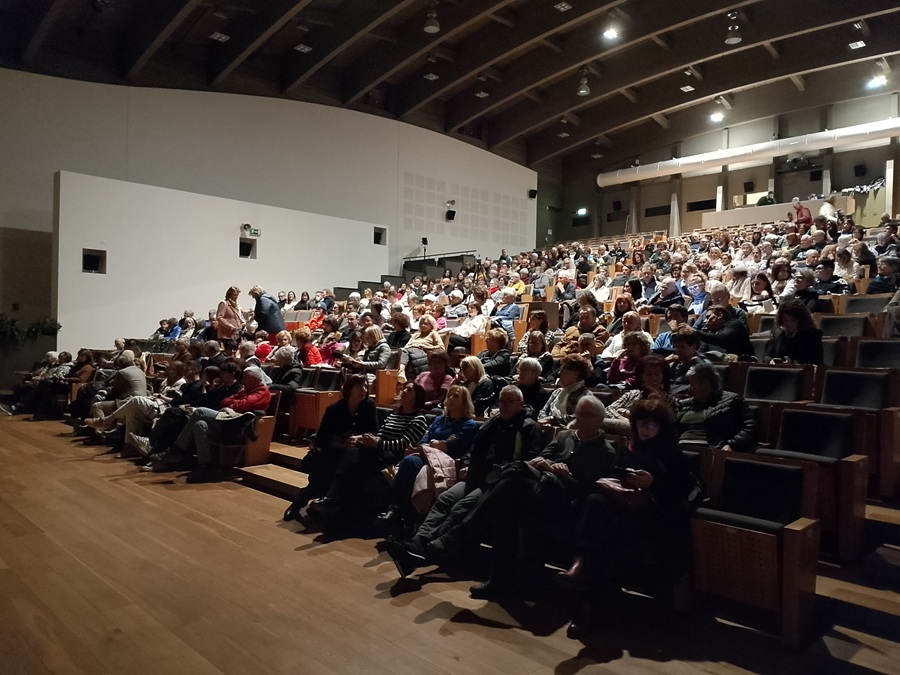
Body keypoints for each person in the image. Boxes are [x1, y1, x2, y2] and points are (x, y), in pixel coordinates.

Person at [453, 396, 616, 599]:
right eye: (579, 412)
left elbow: (588, 493)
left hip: (564, 504)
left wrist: (565, 476)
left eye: (587, 414)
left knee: (511, 483)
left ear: (600, 420)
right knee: (507, 500)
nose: (580, 418)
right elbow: (538, 459)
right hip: (539, 491)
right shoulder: (564, 436)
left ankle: (459, 534)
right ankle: (500, 578)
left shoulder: (605, 451)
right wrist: (547, 464)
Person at [558, 398, 696, 639]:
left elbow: (684, 494)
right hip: (621, 509)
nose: (645, 428)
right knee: (594, 501)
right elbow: (612, 475)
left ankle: (586, 602)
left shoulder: (671, 452)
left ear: (661, 426)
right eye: (641, 423)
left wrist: (654, 483)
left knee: (600, 539)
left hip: (652, 518)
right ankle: (580, 568)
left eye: (651, 424)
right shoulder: (629, 446)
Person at [383, 385, 545, 574]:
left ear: (521, 403)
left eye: (510, 401)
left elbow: (527, 461)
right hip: (476, 475)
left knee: (460, 507)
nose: (505, 405)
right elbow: (474, 449)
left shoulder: (528, 427)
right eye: (502, 401)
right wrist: (467, 463)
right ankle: (418, 541)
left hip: (496, 482)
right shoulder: (493, 423)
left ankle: (426, 552)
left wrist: (496, 473)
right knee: (445, 499)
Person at [298, 382, 430, 530]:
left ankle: (330, 500)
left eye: (409, 390)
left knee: (354, 457)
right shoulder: (394, 414)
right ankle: (334, 509)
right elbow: (380, 435)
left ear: (417, 397)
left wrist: (377, 444)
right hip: (379, 451)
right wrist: (364, 439)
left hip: (395, 457)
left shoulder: (419, 419)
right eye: (404, 388)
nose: (404, 391)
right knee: (352, 455)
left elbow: (405, 444)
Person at [280, 374, 377, 518]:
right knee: (325, 469)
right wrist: (340, 443)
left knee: (347, 465)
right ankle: (300, 502)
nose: (363, 390)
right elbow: (323, 436)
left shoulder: (369, 406)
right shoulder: (335, 409)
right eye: (358, 386)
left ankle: (325, 505)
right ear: (349, 389)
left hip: (357, 449)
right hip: (334, 448)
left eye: (365, 386)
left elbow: (374, 430)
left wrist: (358, 438)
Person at [385, 385, 480, 527]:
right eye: (450, 395)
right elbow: (424, 440)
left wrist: (437, 444)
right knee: (409, 461)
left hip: (448, 462)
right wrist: (433, 445)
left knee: (411, 462)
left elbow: (451, 446)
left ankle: (401, 511)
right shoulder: (439, 420)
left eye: (456, 396)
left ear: (465, 401)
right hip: (427, 455)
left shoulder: (469, 424)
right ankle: (400, 510)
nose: (451, 399)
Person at [170, 366, 272, 483]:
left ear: (255, 379)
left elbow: (243, 405)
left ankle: (177, 449)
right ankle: (205, 466)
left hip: (237, 427)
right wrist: (233, 403)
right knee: (200, 424)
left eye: (245, 378)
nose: (242, 380)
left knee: (200, 411)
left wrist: (232, 404)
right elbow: (224, 401)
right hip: (227, 422)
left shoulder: (263, 392)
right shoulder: (245, 390)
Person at [676, 363, 756, 453]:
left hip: (711, 452)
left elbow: (749, 427)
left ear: (706, 384)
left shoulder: (732, 400)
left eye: (692, 384)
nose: (689, 389)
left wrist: (732, 445)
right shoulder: (684, 405)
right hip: (679, 451)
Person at [602, 355, 677, 436]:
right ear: (642, 377)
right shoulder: (632, 394)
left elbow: (670, 422)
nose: (653, 378)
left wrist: (660, 404)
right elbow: (609, 410)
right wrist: (623, 418)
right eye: (649, 374)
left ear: (663, 377)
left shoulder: (669, 399)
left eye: (657, 374)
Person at [538, 355, 594, 427]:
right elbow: (543, 411)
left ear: (576, 374)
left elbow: (579, 418)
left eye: (563, 369)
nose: (559, 373)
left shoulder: (586, 396)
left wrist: (554, 420)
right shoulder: (557, 392)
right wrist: (544, 421)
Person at [765, 298, 824, 365]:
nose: (788, 324)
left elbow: (816, 361)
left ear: (800, 320)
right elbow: (767, 356)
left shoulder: (813, 335)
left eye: (792, 320)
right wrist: (771, 361)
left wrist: (793, 363)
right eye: (785, 320)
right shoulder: (777, 333)